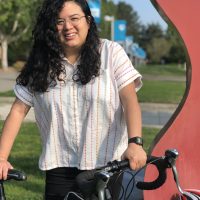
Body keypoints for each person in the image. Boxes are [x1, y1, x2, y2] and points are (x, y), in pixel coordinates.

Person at [0, 0, 147, 199]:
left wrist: (135, 143)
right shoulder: (40, 63)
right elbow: (18, 111)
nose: (68, 26)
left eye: (74, 18)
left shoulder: (111, 53)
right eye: (59, 21)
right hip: (59, 170)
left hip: (109, 167)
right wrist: (1, 157)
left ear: (88, 20)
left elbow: (130, 101)